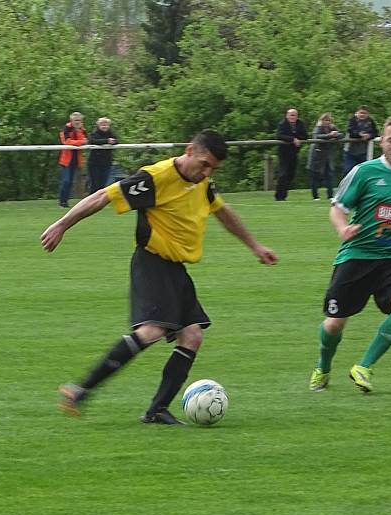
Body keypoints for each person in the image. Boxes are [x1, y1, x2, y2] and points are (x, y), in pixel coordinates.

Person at [42, 129, 278, 424]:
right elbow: (104, 195)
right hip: (152, 262)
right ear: (189, 149)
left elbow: (222, 212)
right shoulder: (156, 177)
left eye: (213, 169)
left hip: (176, 268)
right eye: (204, 164)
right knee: (151, 331)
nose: (206, 172)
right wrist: (62, 225)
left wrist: (255, 246)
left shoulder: (202, 183)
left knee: (192, 336)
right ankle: (79, 390)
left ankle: (156, 411)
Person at [308, 117, 391, 394]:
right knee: (333, 325)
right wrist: (343, 228)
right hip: (356, 256)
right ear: (381, 142)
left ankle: (364, 367)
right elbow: (337, 207)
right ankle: (323, 367)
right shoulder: (363, 172)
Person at [306, 112, 344, 200]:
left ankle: (330, 195)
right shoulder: (318, 128)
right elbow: (317, 136)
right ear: (321, 120)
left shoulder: (332, 128)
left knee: (329, 175)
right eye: (325, 120)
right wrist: (329, 136)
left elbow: (341, 135)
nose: (327, 122)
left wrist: (335, 135)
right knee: (315, 175)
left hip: (327, 155)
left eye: (328, 120)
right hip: (317, 154)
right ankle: (315, 196)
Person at [274, 108, 308, 201]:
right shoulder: (282, 124)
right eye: (291, 115)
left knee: (291, 174)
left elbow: (305, 135)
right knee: (283, 174)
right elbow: (280, 135)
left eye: (295, 115)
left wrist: (298, 139)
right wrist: (292, 139)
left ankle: (284, 195)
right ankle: (279, 196)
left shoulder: (300, 124)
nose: (293, 117)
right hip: (283, 153)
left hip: (294, 152)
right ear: (287, 116)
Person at [57, 112, 87, 208]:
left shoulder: (82, 130)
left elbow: (85, 141)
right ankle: (62, 201)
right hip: (66, 160)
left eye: (79, 120)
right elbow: (66, 141)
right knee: (66, 181)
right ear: (71, 121)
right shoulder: (66, 129)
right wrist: (80, 142)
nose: (77, 122)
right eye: (75, 120)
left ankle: (65, 202)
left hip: (76, 160)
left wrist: (79, 132)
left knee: (70, 182)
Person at [342, 105, 379, 175]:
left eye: (364, 113)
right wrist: (359, 135)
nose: (362, 115)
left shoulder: (370, 122)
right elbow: (350, 131)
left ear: (368, 114)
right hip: (350, 151)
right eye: (361, 113)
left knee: (362, 171)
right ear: (357, 113)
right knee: (348, 170)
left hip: (363, 151)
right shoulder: (352, 120)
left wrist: (369, 136)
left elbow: (376, 132)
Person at [87, 117, 117, 194]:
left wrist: (113, 141)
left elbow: (116, 140)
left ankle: (98, 202)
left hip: (106, 163)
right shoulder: (95, 133)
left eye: (106, 125)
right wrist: (107, 141)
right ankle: (91, 202)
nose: (104, 126)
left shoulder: (111, 133)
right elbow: (92, 141)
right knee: (94, 184)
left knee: (102, 184)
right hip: (94, 163)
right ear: (98, 125)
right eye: (102, 125)